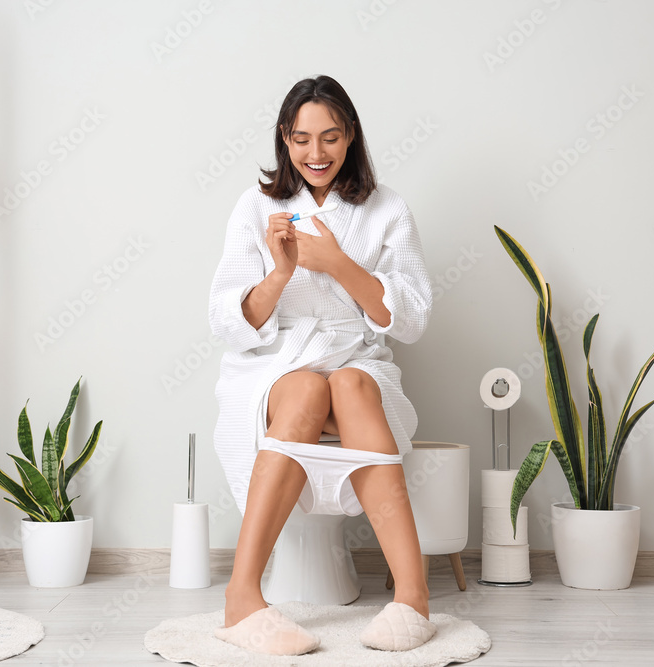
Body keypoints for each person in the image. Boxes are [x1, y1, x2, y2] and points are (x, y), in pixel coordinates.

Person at [208, 75, 435, 655]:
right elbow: (227, 320)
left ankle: (412, 597)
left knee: (354, 386)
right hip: (276, 363)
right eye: (302, 139)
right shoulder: (256, 206)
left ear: (351, 135)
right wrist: (281, 271)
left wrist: (336, 263)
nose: (316, 154)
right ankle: (242, 597)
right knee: (309, 390)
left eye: (330, 137)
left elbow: (410, 319)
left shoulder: (387, 209)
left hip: (356, 353)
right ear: (285, 139)